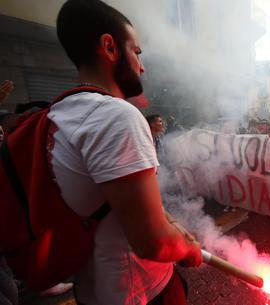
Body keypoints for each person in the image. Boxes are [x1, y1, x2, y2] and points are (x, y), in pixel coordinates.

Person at [54, 1, 202, 304]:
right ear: (109, 46)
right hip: (139, 290)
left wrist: (174, 225)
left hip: (92, 289)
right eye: (136, 51)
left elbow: (121, 200)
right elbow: (153, 243)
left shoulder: (57, 114)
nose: (142, 65)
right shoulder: (117, 116)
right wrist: (188, 249)